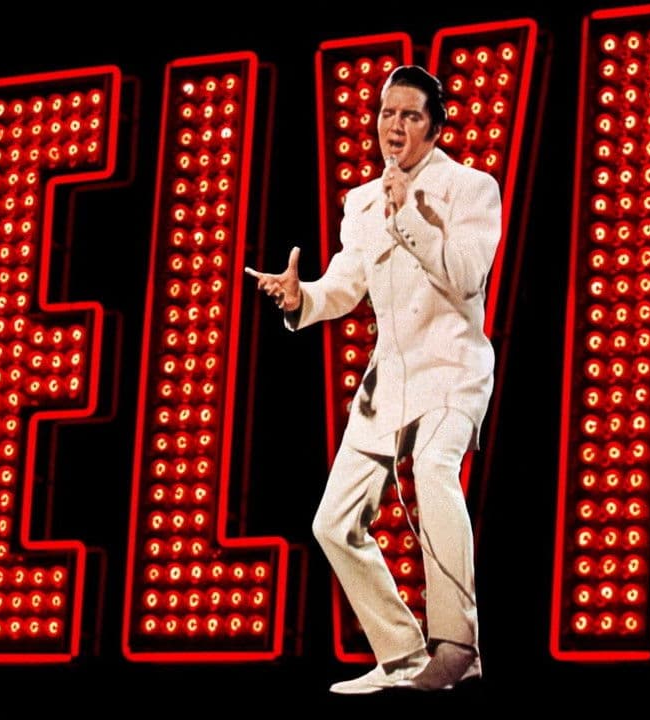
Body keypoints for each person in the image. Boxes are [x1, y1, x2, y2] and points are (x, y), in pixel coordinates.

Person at [248, 65, 500, 694]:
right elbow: (346, 284)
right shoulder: (360, 202)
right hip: (388, 381)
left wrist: (408, 213)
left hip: (452, 369)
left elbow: (466, 275)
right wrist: (301, 297)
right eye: (388, 113)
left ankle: (457, 647)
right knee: (333, 524)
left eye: (410, 115)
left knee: (434, 470)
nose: (395, 126)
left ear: (434, 128)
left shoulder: (471, 188)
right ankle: (402, 655)